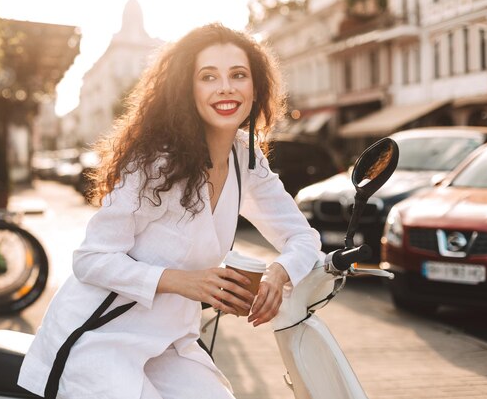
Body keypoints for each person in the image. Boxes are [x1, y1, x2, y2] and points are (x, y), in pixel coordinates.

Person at [18, 23, 322, 399]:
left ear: (256, 87)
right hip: (100, 337)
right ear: (187, 89)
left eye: (238, 75)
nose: (225, 87)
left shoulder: (247, 158)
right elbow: (91, 259)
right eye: (208, 76)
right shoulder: (153, 162)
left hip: (169, 342)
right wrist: (181, 281)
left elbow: (303, 237)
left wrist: (279, 273)